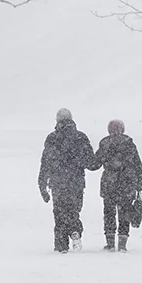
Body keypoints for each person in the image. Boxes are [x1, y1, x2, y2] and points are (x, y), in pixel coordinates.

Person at [38, 108, 97, 253]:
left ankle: (61, 245)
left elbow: (45, 163)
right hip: (76, 182)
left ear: (57, 121)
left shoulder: (52, 138)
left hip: (58, 183)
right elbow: (91, 163)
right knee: (73, 211)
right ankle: (75, 230)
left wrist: (42, 185)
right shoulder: (80, 137)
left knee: (59, 213)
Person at [94, 119, 142, 252]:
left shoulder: (105, 143)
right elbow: (138, 164)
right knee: (124, 213)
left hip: (109, 183)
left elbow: (95, 163)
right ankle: (122, 243)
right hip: (127, 184)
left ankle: (110, 243)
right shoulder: (129, 144)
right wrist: (140, 182)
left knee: (109, 213)